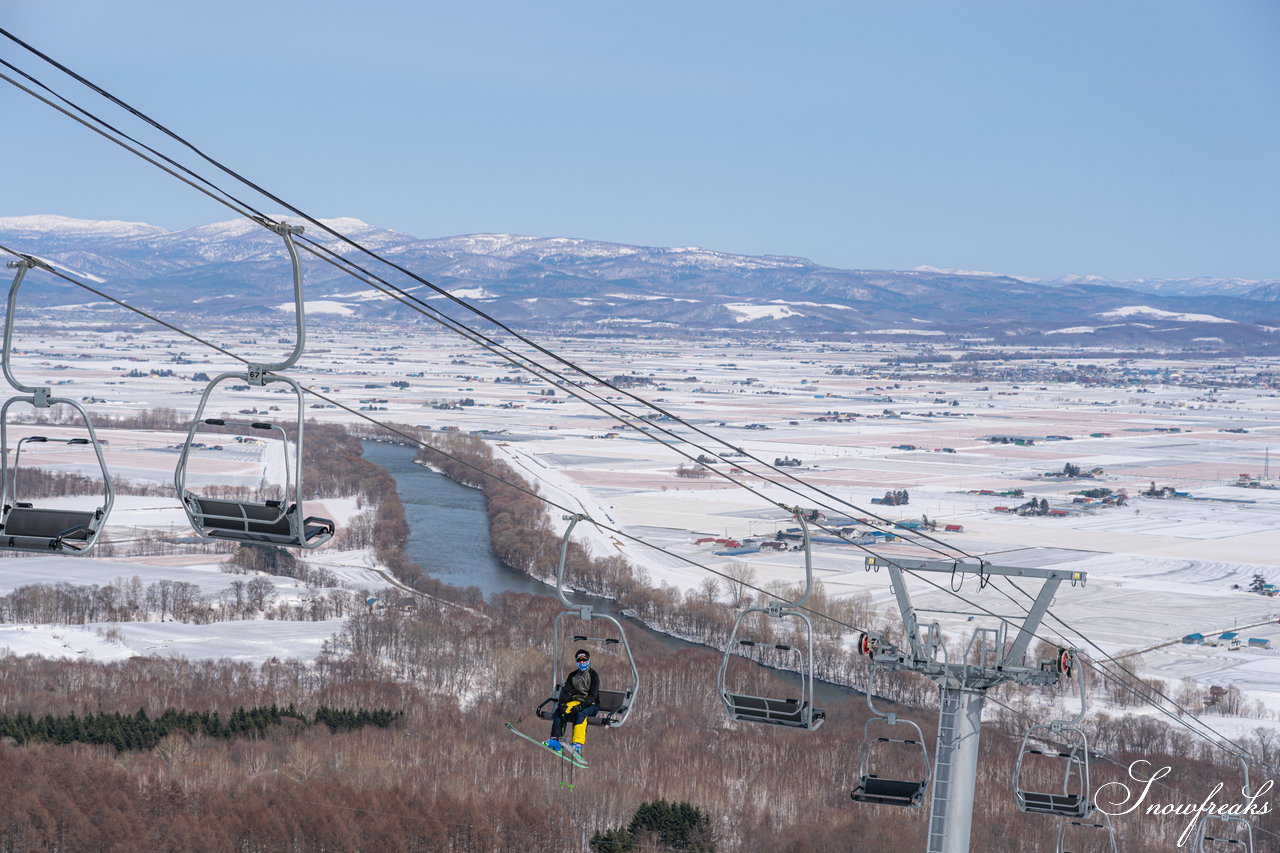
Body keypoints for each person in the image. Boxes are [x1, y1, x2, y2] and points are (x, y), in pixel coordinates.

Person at [545, 648, 599, 757]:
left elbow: (593, 696)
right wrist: (562, 704)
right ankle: (556, 740)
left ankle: (577, 744)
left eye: (584, 660)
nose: (582, 663)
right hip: (575, 703)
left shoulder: (593, 675)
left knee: (580, 714)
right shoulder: (572, 675)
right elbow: (566, 692)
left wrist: (581, 706)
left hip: (590, 705)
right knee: (559, 712)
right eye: (580, 661)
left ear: (588, 660)